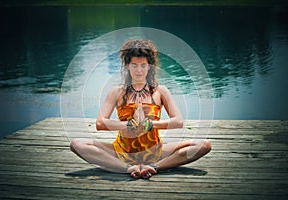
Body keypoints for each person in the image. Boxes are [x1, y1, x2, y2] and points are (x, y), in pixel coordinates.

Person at [70, 39, 211, 179]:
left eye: (143, 65)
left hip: (155, 151)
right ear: (127, 66)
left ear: (149, 66)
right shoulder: (116, 92)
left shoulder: (160, 91)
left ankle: (154, 167)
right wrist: (128, 125)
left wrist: (150, 125)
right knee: (77, 144)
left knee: (203, 145)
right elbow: (100, 123)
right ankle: (127, 168)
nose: (139, 70)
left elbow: (178, 121)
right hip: (122, 151)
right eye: (134, 65)